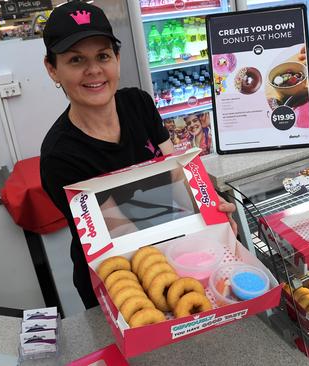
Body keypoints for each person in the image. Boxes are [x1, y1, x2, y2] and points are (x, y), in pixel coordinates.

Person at [39, 2, 235, 309]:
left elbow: (176, 172)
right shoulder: (59, 156)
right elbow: (118, 232)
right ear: (53, 69)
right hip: (119, 281)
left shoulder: (138, 104)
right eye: (76, 60)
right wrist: (199, 230)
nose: (94, 71)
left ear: (117, 59)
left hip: (179, 254)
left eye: (103, 56)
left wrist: (211, 207)